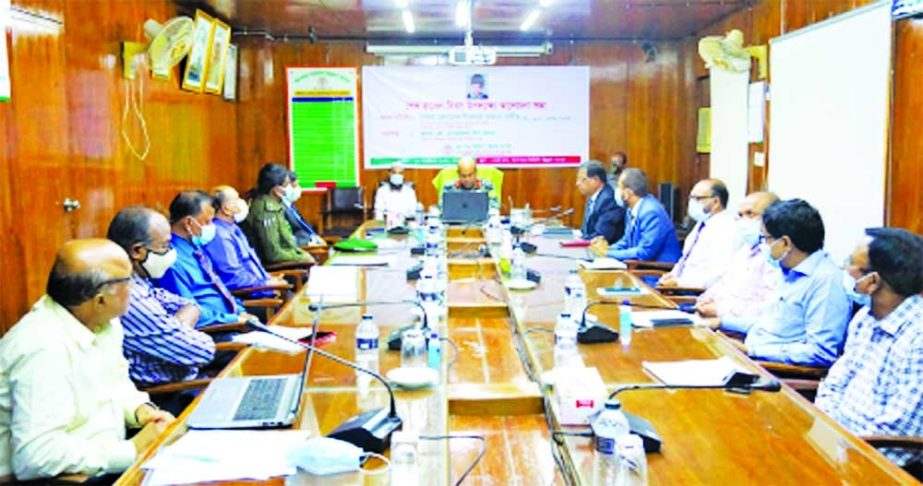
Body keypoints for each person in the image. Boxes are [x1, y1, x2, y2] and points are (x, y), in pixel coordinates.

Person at [0, 239, 174, 481]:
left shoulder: (104, 322)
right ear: (100, 299)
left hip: (105, 459)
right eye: (128, 281)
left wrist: (140, 411)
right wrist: (133, 449)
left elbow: (116, 383)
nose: (134, 289)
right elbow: (36, 456)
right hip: (60, 478)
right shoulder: (42, 347)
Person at [815, 228, 923, 474]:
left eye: (851, 263)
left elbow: (896, 438)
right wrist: (825, 436)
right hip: (834, 444)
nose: (844, 269)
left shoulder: (918, 339)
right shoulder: (865, 317)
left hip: (875, 466)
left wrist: (840, 451)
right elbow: (833, 386)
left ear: (873, 281)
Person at [718, 199, 850, 366]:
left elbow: (821, 352)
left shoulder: (826, 281)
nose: (762, 245)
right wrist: (721, 321)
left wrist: (752, 351)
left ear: (785, 243)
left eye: (765, 239)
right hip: (751, 356)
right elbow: (770, 324)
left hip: (773, 370)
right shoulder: (787, 270)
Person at [107, 206, 216, 390]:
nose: (171, 252)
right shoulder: (131, 298)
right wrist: (182, 329)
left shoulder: (139, 280)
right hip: (168, 395)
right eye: (165, 246)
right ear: (136, 251)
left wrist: (178, 327)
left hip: (186, 377)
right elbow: (203, 351)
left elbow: (191, 305)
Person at [156, 190, 257, 328]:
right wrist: (233, 320)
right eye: (207, 221)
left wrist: (240, 311)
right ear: (188, 223)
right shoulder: (172, 261)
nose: (211, 227)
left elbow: (218, 286)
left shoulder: (195, 246)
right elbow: (188, 312)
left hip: (233, 320)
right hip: (215, 330)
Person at [696, 192, 781, 326]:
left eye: (750, 214)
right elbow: (722, 283)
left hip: (734, 330)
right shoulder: (745, 248)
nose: (743, 221)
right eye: (740, 215)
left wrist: (720, 310)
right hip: (710, 320)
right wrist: (705, 300)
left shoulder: (775, 258)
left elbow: (769, 310)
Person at [658, 178, 738, 289]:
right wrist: (673, 274)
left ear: (716, 202)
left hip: (696, 294)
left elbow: (718, 275)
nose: (691, 203)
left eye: (697, 198)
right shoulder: (702, 223)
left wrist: (680, 283)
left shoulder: (726, 229)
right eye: (691, 198)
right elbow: (686, 259)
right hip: (678, 288)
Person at [204, 186, 287, 292]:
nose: (242, 202)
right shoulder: (220, 236)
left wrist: (268, 278)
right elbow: (233, 278)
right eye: (237, 199)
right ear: (226, 209)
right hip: (253, 299)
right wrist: (266, 283)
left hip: (263, 287)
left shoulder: (233, 228)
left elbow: (249, 264)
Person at [590, 168, 681, 264]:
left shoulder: (651, 212)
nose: (616, 191)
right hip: (638, 266)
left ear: (628, 193)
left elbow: (644, 253)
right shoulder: (632, 209)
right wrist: (605, 249)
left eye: (619, 187)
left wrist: (607, 253)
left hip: (656, 271)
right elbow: (626, 241)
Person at [248, 163, 315, 265]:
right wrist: (302, 258)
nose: (290, 187)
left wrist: (302, 254)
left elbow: (288, 243)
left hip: (292, 258)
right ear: (276, 190)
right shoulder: (266, 211)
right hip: (283, 269)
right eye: (287, 184)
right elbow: (273, 254)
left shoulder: (276, 205)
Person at [576, 160, 625, 243]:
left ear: (596, 180)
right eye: (578, 179)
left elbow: (601, 236)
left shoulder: (608, 200)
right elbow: (585, 231)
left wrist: (578, 241)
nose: (577, 183)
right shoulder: (592, 197)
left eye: (582, 180)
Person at [284, 171, 324, 247]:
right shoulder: (281, 209)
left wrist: (315, 237)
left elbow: (303, 226)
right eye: (295, 186)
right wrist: (309, 243)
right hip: (302, 246)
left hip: (310, 240)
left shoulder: (291, 206)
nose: (298, 189)